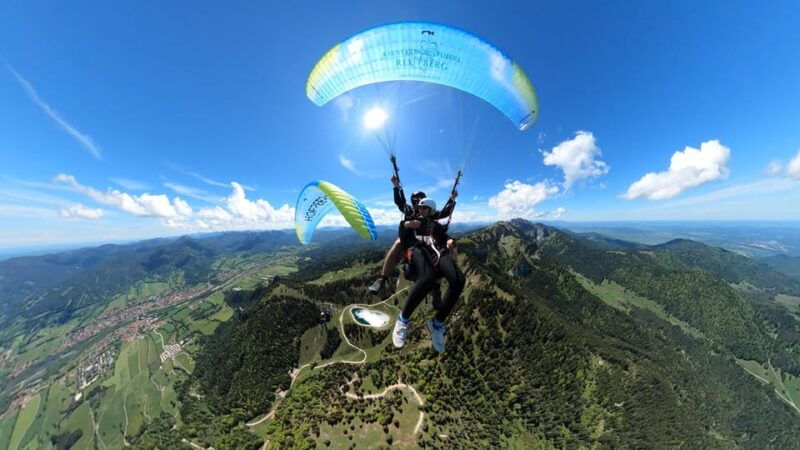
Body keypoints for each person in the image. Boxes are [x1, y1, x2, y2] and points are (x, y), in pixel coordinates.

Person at [391, 198, 465, 352]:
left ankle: (437, 324)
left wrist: (451, 240)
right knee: (427, 278)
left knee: (459, 281)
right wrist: (406, 224)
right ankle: (402, 319)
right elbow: (403, 232)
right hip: (418, 249)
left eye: (424, 208)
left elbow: (444, 236)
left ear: (431, 210)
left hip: (438, 251)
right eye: (420, 208)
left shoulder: (434, 225)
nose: (420, 210)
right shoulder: (414, 220)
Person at [368, 175, 457, 297]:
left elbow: (445, 213)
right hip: (409, 241)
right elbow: (400, 202)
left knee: (440, 249)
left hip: (425, 240)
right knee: (398, 243)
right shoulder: (409, 211)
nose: (417, 205)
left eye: (419, 202)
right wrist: (396, 186)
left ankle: (436, 288)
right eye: (415, 201)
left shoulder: (429, 212)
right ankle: (382, 280)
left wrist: (452, 199)